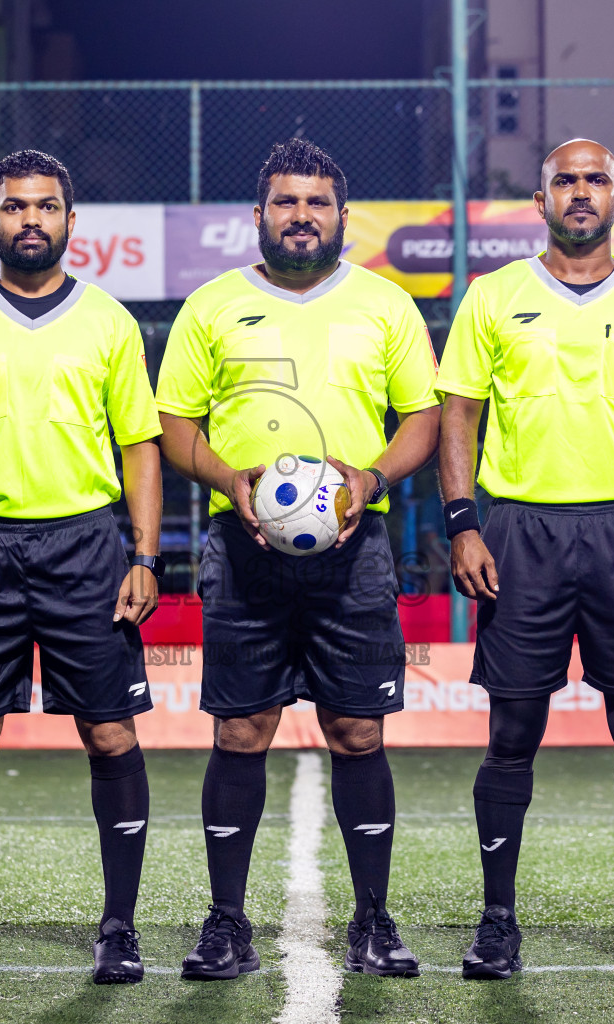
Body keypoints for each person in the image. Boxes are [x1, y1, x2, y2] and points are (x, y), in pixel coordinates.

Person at [156, 138, 441, 980]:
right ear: (258, 216)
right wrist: (226, 478)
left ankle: (375, 922)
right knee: (241, 731)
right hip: (241, 554)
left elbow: (421, 419)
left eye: (318, 203)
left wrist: (374, 474)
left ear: (343, 217)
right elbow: (175, 426)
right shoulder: (210, 307)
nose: (302, 216)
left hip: (356, 554)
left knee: (357, 732)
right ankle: (226, 922)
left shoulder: (386, 306)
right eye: (286, 202)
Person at [436, 139, 614, 982]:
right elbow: (458, 414)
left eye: (596, 180)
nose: (582, 192)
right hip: (521, 534)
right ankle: (497, 923)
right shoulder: (493, 297)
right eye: (567, 180)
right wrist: (463, 523)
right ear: (542, 199)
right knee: (512, 730)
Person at [0, 149, 164, 986]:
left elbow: (140, 447)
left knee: (110, 731)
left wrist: (146, 555)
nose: (31, 221)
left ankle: (118, 929)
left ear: (70, 222)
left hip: (86, 547)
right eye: (15, 207)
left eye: (46, 207)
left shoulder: (110, 322)